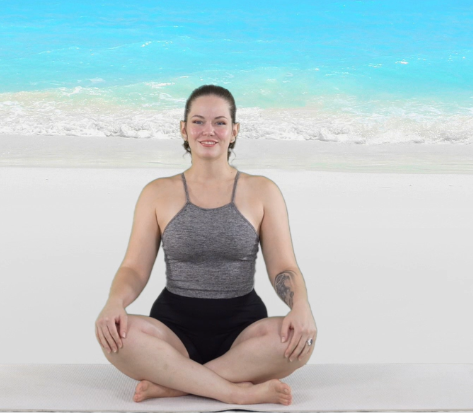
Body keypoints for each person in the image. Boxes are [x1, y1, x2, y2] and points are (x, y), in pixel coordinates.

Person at [94, 85, 317, 406]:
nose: (209, 131)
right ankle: (234, 392)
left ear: (235, 130)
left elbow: (283, 267)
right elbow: (133, 268)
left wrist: (301, 306)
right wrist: (114, 302)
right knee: (116, 336)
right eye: (198, 121)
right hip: (173, 330)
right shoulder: (157, 192)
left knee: (300, 342)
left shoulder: (262, 191)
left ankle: (174, 384)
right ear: (183, 129)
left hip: (243, 331)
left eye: (220, 122)